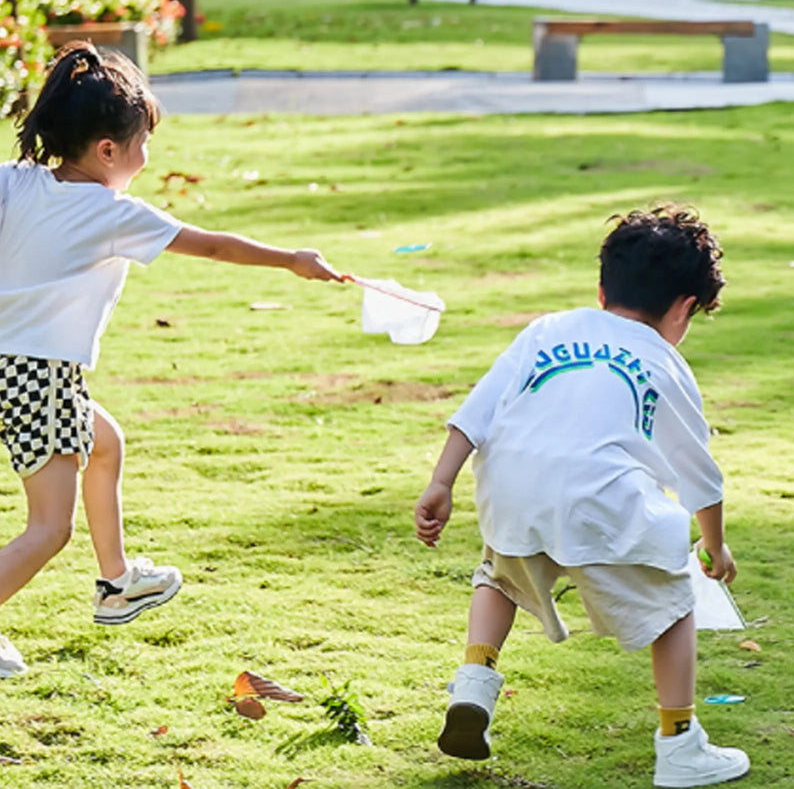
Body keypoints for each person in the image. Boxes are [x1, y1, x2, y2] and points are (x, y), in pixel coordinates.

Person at [0, 42, 342, 679]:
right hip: (37, 372)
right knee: (49, 529)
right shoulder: (109, 211)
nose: (146, 156)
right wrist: (292, 259)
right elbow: (211, 246)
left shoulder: (15, 181)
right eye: (141, 142)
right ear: (108, 150)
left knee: (105, 443)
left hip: (15, 368)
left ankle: (117, 582)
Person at [414, 206, 750, 788]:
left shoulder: (546, 330)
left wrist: (441, 481)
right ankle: (680, 745)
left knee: (498, 577)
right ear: (684, 308)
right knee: (674, 603)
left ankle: (474, 681)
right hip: (601, 504)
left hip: (512, 493)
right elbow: (700, 474)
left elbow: (477, 411)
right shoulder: (664, 362)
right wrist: (714, 548)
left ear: (601, 288)